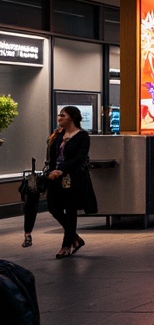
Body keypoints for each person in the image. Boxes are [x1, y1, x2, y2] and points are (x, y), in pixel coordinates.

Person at [45, 106, 98, 258]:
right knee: (53, 207)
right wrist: (52, 171)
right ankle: (75, 237)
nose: (59, 118)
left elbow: (79, 158)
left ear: (72, 118)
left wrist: (62, 170)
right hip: (54, 177)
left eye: (63, 115)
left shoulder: (82, 136)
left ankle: (66, 245)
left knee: (70, 210)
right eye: (59, 115)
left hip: (73, 178)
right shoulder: (57, 135)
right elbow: (52, 157)